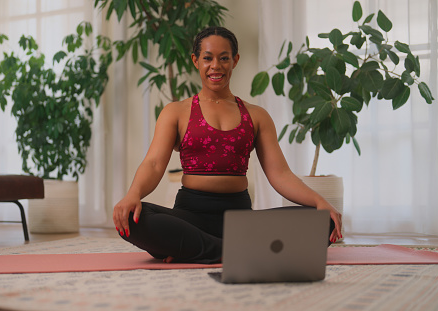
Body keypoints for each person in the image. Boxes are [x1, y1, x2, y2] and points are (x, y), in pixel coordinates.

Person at [113, 26, 343, 264]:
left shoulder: (257, 115)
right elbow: (153, 164)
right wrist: (132, 194)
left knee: (322, 221)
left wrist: (320, 202)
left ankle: (198, 249)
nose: (216, 66)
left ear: (235, 60)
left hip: (240, 219)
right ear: (195, 60)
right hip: (189, 216)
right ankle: (238, 251)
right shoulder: (176, 112)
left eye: (224, 58)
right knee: (131, 217)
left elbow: (281, 175)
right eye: (207, 58)